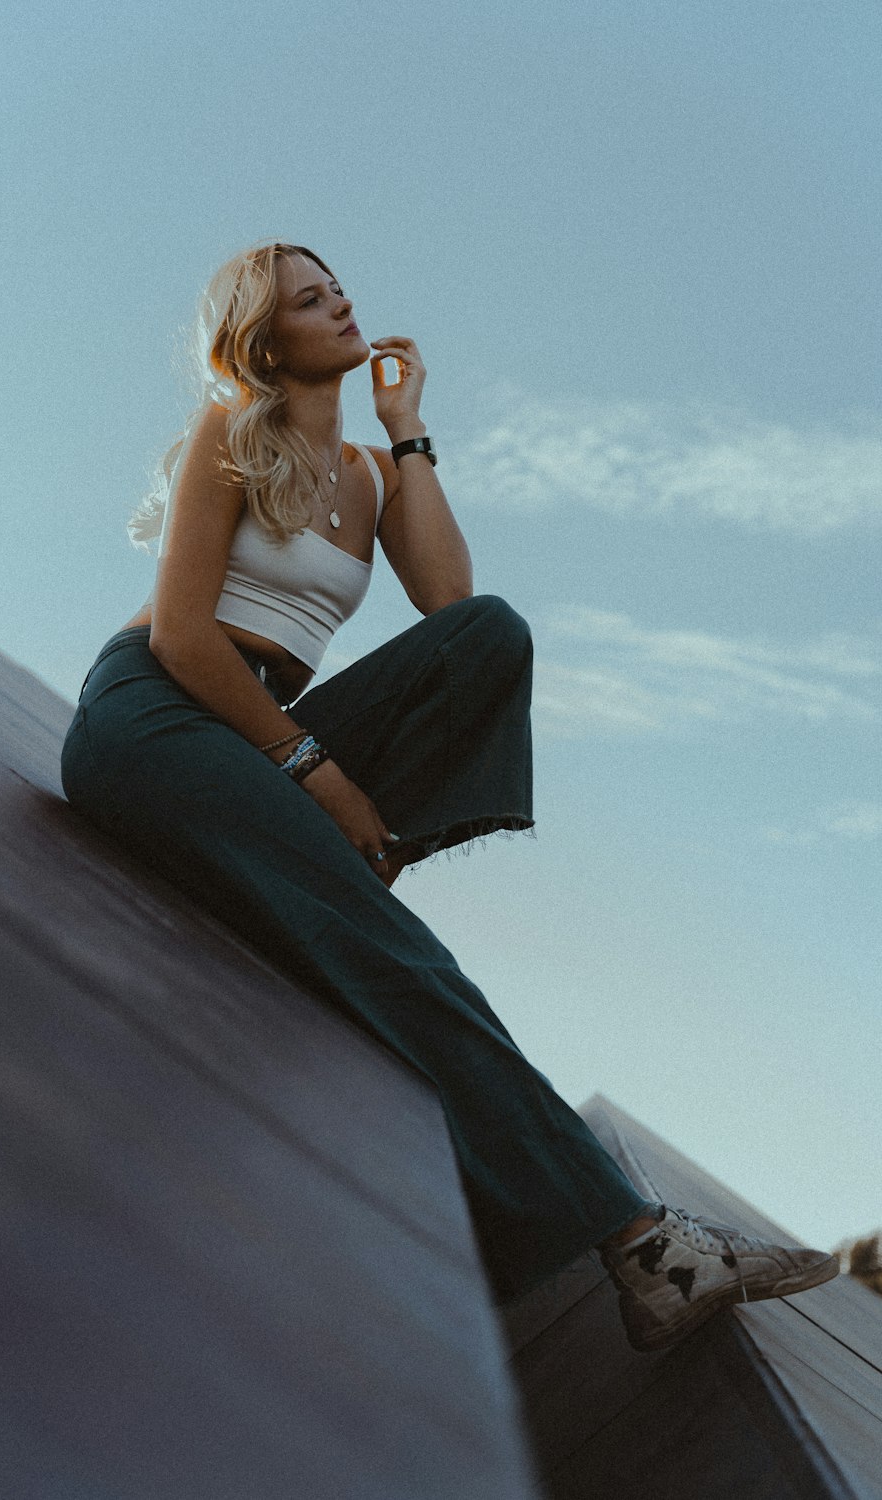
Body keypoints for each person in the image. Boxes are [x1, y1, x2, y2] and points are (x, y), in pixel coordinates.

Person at [61, 241, 838, 1352]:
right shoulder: (229, 435)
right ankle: (648, 1250)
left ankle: (349, 871)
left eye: (338, 291)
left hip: (267, 732)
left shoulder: (372, 475)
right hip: (162, 716)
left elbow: (448, 602)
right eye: (306, 301)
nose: (340, 307)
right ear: (261, 336)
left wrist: (409, 429)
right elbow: (185, 636)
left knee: (490, 635)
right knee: (402, 959)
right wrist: (314, 776)